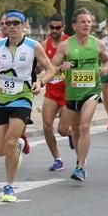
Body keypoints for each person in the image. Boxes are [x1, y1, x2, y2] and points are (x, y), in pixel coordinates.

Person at [0, 10, 54, 202]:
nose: (11, 27)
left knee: (10, 141)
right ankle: (20, 145)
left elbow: (50, 68)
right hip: (1, 100)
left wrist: (40, 83)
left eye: (15, 23)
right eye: (7, 23)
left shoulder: (32, 46)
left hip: (23, 98)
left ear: (23, 26)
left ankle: (9, 187)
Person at [50, 8, 108, 182]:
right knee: (76, 129)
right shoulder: (65, 45)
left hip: (91, 92)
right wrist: (60, 68)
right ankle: (80, 160)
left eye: (89, 21)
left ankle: (81, 167)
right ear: (74, 25)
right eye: (83, 22)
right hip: (72, 94)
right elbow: (51, 67)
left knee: (85, 126)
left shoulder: (98, 44)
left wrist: (105, 68)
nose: (87, 24)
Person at [41, 15, 71, 171]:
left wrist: (70, 65)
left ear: (63, 27)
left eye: (57, 28)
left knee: (62, 130)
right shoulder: (44, 45)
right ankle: (57, 159)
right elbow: (39, 67)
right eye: (51, 27)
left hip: (68, 90)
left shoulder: (70, 43)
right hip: (52, 89)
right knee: (46, 125)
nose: (54, 30)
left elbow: (80, 65)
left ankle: (71, 133)